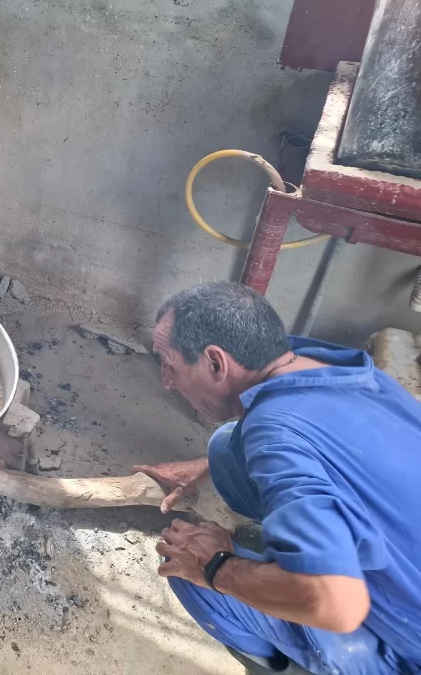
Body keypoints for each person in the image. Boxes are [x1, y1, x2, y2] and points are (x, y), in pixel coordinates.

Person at [137, 282, 421, 675]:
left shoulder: (277, 434)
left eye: (170, 365)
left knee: (191, 577)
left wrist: (215, 565)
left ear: (216, 363)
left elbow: (337, 604)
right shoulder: (338, 369)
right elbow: (318, 447)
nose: (167, 380)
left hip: (408, 645)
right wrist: (204, 467)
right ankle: (304, 552)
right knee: (226, 448)